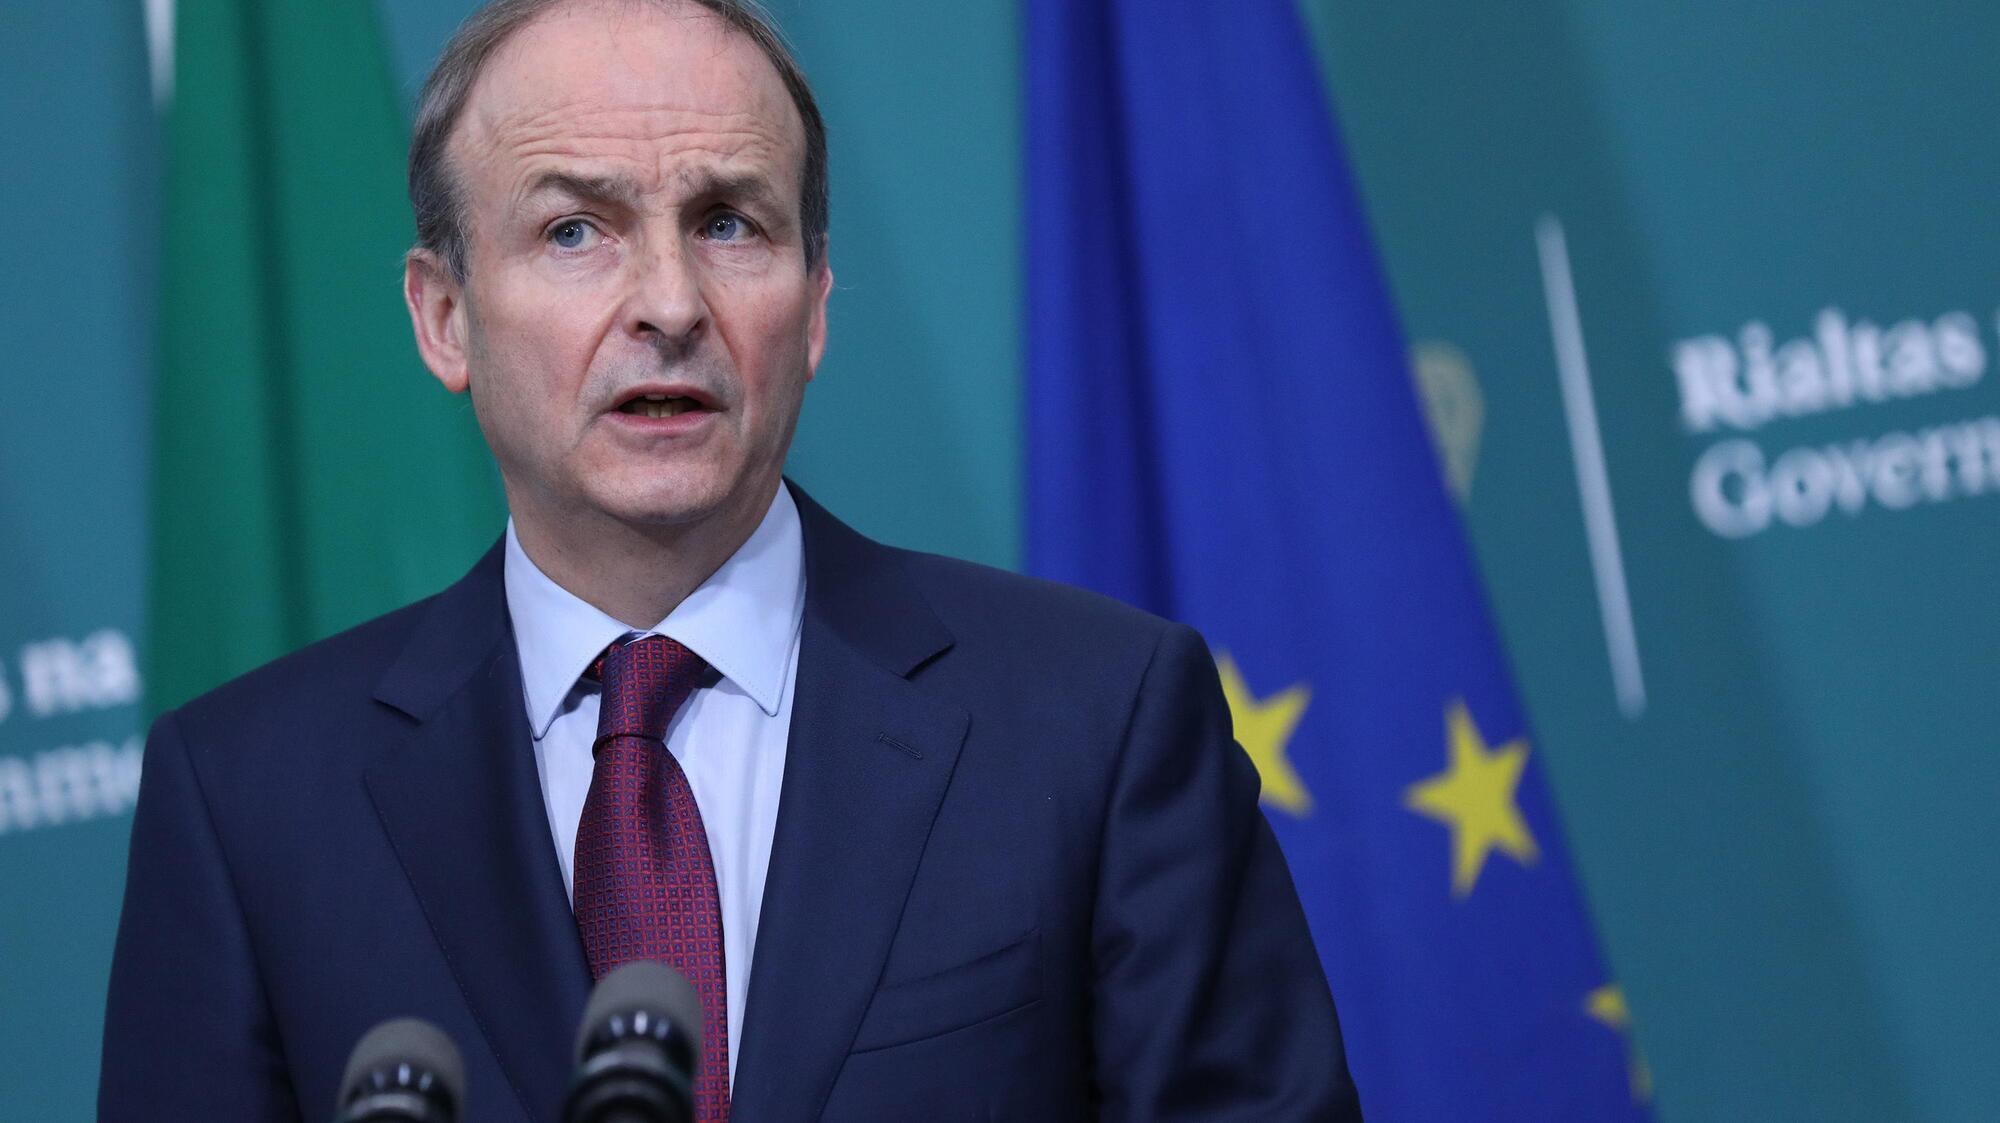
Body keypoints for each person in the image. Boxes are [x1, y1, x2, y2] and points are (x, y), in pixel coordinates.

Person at [100, 1, 1361, 1119]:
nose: (669, 303)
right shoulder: (247, 799)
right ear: (444, 317)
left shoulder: (1096, 719)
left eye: (727, 223)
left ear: (812, 305)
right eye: (574, 231)